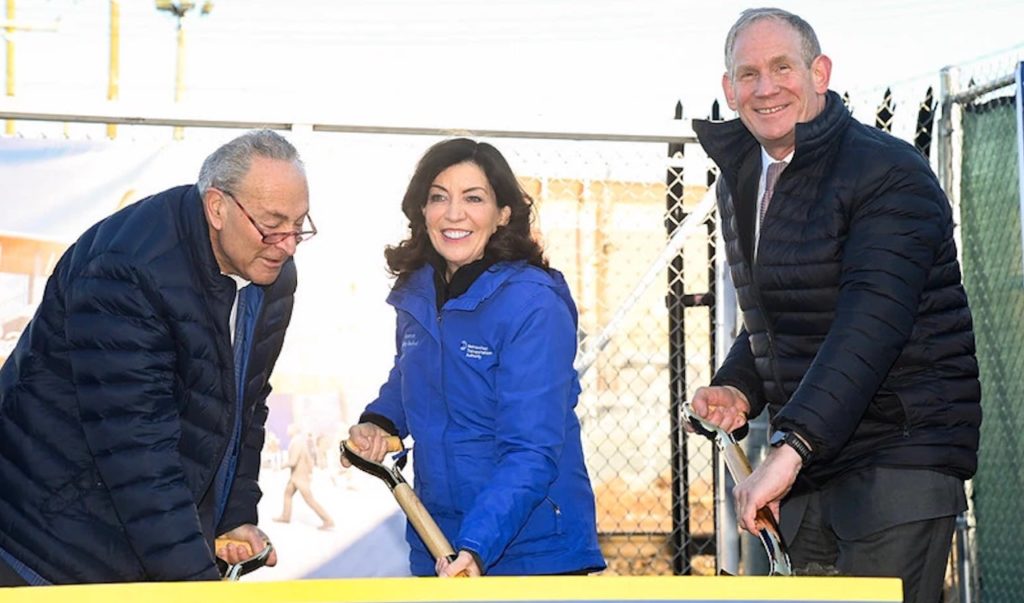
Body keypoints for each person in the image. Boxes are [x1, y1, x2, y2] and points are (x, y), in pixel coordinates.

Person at [688, 8, 981, 602]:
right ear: (728, 89)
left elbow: (869, 324)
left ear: (819, 72)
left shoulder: (888, 171)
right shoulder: (743, 175)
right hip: (813, 456)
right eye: (748, 74)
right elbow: (783, 311)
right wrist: (741, 386)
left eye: (782, 67)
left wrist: (791, 447)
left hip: (899, 454)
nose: (765, 88)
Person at [0, 129, 314, 585]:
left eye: (299, 225)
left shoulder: (270, 273)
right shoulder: (125, 269)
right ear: (217, 208)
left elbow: (247, 402)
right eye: (272, 224)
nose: (286, 244)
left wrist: (233, 513)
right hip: (47, 544)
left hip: (142, 539)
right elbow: (136, 447)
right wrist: (195, 584)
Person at [343, 138, 605, 577]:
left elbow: (531, 449)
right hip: (437, 543)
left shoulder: (532, 304)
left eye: (474, 198)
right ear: (421, 211)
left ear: (503, 214)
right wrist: (380, 423)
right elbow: (412, 375)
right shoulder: (418, 292)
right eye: (438, 197)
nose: (453, 213)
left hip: (529, 551)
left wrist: (477, 545)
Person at [273, 425, 335, 530]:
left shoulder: (297, 442)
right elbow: (309, 460)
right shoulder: (299, 441)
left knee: (310, 500)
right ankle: (285, 516)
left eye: (289, 428)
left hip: (299, 477)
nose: (287, 430)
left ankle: (328, 520)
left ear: (294, 430)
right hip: (297, 477)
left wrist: (281, 466)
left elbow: (293, 461)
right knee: (287, 494)